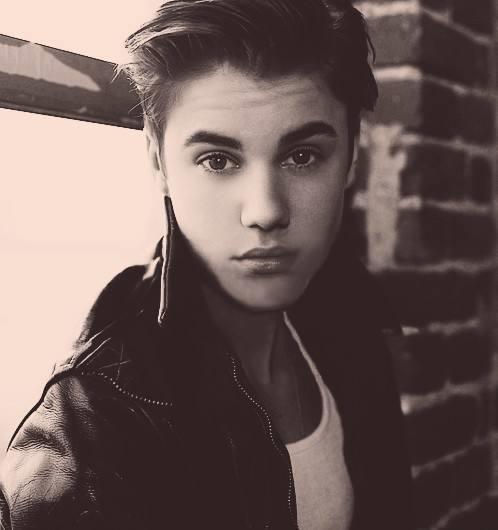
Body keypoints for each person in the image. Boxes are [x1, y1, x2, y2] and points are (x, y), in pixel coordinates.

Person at [0, 0, 413, 528]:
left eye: (302, 156)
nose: (265, 211)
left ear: (352, 156)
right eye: (218, 160)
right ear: (158, 161)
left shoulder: (349, 314)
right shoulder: (92, 443)